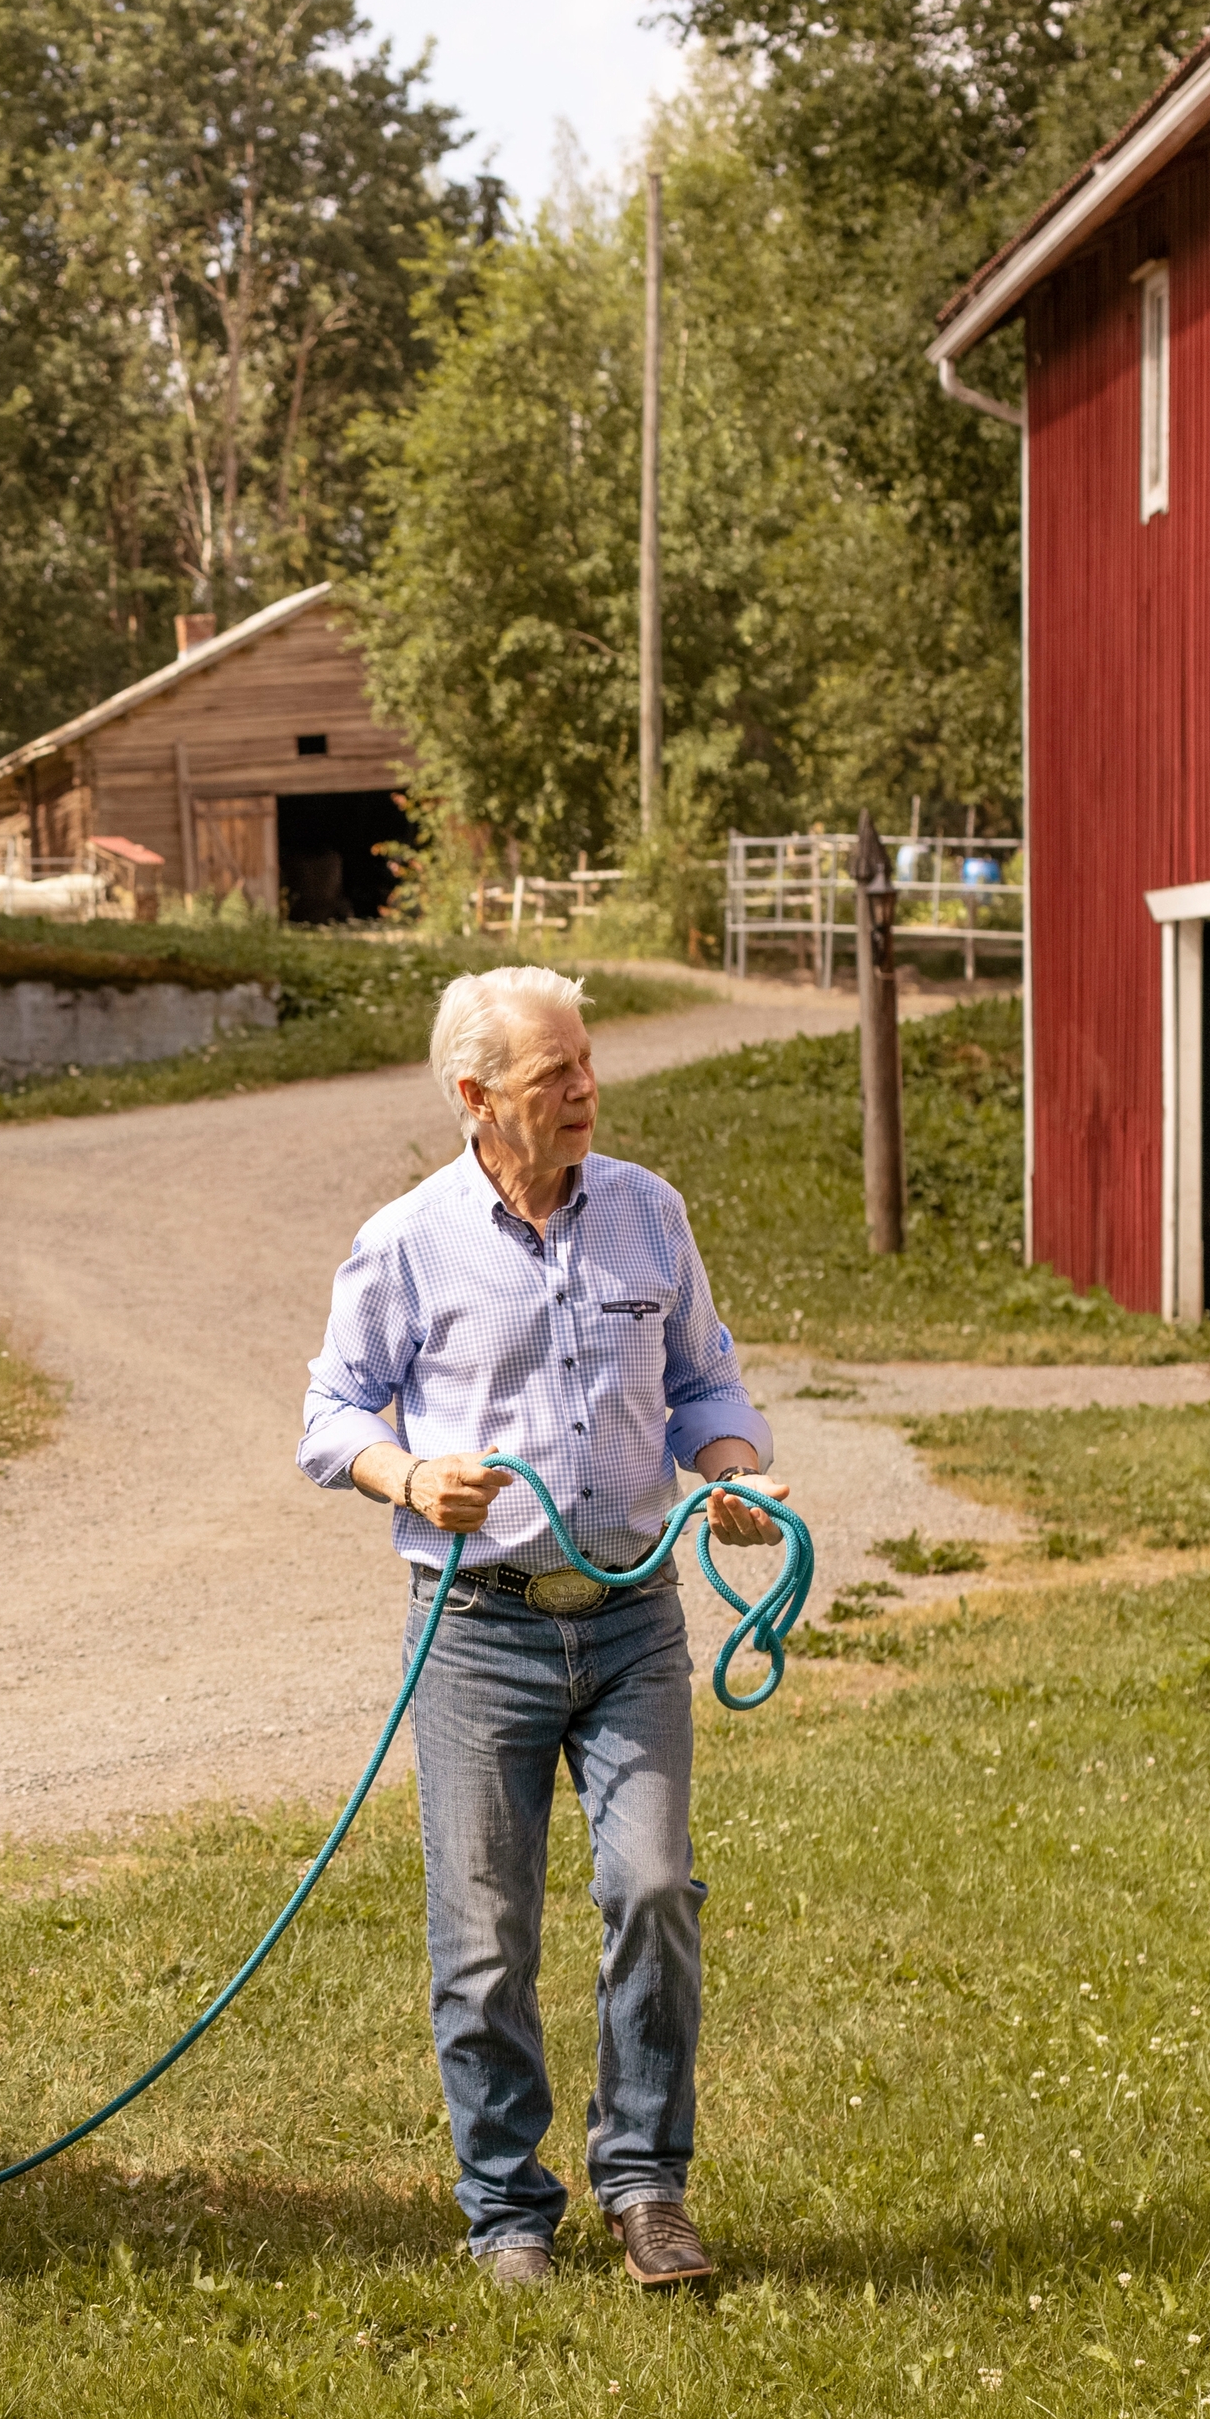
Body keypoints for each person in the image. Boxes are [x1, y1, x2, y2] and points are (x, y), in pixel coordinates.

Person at [296, 965, 777, 2290]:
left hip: (632, 1623)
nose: (585, 1092)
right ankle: (508, 2209)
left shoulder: (646, 1214)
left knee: (653, 1889)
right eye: (553, 1075)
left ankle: (644, 2185)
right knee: (487, 1934)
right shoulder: (405, 1239)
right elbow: (332, 1416)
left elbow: (705, 1380)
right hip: (477, 1630)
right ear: (474, 1098)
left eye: (585, 1064)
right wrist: (407, 1477)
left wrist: (731, 1470)